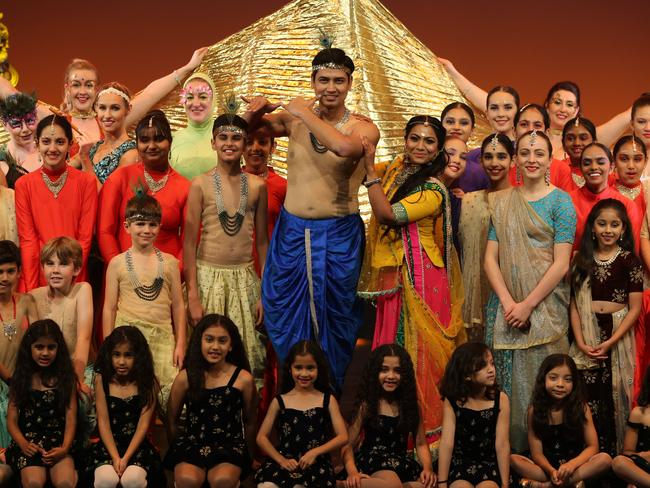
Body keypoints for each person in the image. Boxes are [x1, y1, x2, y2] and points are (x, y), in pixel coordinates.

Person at [244, 42, 380, 390]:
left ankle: (328, 396)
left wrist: (303, 112)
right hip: (292, 232)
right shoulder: (293, 119)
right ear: (313, 82)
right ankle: (293, 394)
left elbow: (345, 149)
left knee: (336, 320)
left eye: (338, 80)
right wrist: (257, 111)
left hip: (338, 235)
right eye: (323, 80)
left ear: (350, 84)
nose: (330, 88)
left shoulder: (363, 128)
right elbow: (247, 132)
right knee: (284, 313)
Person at [358, 116, 465, 446]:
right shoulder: (394, 171)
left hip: (420, 281)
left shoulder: (432, 189)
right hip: (395, 277)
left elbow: (388, 215)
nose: (421, 146)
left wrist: (371, 175)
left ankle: (425, 443)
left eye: (429, 141)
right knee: (391, 354)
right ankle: (388, 436)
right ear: (404, 140)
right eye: (414, 138)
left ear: (438, 151)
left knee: (420, 358)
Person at [484, 130, 575, 452]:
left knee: (548, 384)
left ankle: (550, 459)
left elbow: (561, 263)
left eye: (538, 153)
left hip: (545, 309)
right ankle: (511, 455)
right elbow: (489, 259)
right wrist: (510, 303)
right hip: (505, 308)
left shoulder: (562, 201)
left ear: (550, 159)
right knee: (505, 386)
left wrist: (527, 306)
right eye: (525, 153)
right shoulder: (503, 201)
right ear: (516, 159)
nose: (531, 159)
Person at [183, 112, 268, 385]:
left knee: (245, 355)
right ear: (213, 143)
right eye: (223, 138)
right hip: (208, 277)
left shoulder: (257, 186)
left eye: (236, 138)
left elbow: (263, 242)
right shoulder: (200, 184)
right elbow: (188, 242)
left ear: (245, 145)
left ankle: (242, 420)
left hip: (244, 280)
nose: (229, 143)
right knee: (206, 356)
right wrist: (193, 295)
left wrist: (264, 292)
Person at [569, 199, 642, 455]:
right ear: (592, 227)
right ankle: (586, 456)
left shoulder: (630, 261)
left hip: (617, 336)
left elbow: (634, 308)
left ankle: (614, 460)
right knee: (588, 399)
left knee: (613, 398)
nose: (608, 230)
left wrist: (611, 341)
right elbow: (574, 306)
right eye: (602, 224)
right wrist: (579, 342)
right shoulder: (580, 259)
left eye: (614, 224)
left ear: (623, 229)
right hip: (585, 339)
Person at [103, 194, 186, 403]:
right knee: (131, 397)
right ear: (126, 226)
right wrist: (109, 344)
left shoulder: (170, 263)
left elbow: (178, 306)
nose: (146, 230)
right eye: (140, 224)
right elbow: (109, 308)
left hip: (162, 337)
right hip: (128, 339)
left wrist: (181, 343)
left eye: (152, 224)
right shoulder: (117, 264)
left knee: (168, 397)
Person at [165, 314, 257, 487]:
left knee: (221, 480)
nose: (215, 347)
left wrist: (249, 456)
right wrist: (177, 449)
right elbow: (172, 419)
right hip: (193, 443)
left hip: (229, 445)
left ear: (231, 345)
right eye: (209, 339)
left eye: (222, 341)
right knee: (187, 480)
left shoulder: (243, 379)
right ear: (200, 341)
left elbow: (250, 421)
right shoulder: (185, 377)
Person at [15, 115, 98, 290]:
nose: (52, 148)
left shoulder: (86, 183)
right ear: (37, 144)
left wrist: (71, 277)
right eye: (46, 141)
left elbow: (85, 239)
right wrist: (32, 289)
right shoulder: (24, 185)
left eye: (60, 142)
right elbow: (28, 240)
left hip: (75, 274)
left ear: (70, 144)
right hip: (39, 274)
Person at [97, 110, 190, 266]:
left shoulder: (185, 187)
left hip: (167, 276)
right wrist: (120, 270)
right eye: (145, 140)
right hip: (123, 275)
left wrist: (172, 274)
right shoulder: (120, 178)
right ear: (137, 144)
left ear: (170, 142)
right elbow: (105, 232)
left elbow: (189, 242)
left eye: (159, 139)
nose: (151, 146)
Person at [341, 344, 435, 488]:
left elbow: (421, 443)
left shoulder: (411, 406)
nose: (391, 376)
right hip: (374, 461)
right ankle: (342, 485)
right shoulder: (367, 405)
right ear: (374, 373)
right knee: (392, 484)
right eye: (384, 370)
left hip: (401, 462)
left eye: (397, 371)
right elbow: (347, 444)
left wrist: (428, 469)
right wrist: (352, 472)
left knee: (426, 486)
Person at [510, 354, 612, 487]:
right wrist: (551, 470)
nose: (560, 384)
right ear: (543, 379)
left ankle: (548, 486)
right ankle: (568, 483)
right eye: (553, 378)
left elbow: (593, 447)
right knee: (514, 459)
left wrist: (571, 465)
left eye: (567, 380)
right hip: (547, 467)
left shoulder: (582, 407)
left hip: (575, 465)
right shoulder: (534, 411)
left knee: (605, 459)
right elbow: (537, 454)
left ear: (574, 383)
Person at [256, 340, 348, 487]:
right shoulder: (280, 401)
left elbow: (343, 436)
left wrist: (315, 452)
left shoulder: (327, 400)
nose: (304, 373)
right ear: (290, 369)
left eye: (310, 368)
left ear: (319, 369)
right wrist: (281, 460)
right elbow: (261, 437)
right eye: (298, 367)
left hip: (315, 465)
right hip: (285, 462)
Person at [5, 320, 78, 488]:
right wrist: (23, 444)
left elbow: (71, 418)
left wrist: (65, 448)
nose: (45, 353)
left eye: (51, 347)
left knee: (65, 482)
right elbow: (12, 420)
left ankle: (74, 474)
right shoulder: (21, 377)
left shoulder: (66, 378)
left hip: (58, 443)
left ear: (58, 349)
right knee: (34, 482)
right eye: (39, 347)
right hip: (29, 443)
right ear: (29, 348)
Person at [89, 326, 163, 488]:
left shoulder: (149, 382)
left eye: (128, 355)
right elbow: (103, 423)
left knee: (132, 480)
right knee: (105, 480)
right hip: (109, 446)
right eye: (116, 355)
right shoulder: (102, 380)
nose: (121, 362)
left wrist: (126, 458)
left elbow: (142, 426)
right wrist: (116, 458)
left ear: (138, 356)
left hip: (137, 447)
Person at [459, 134, 513, 342]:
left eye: (501, 156)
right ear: (480, 161)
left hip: (509, 291)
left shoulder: (521, 198)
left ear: (513, 160)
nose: (494, 163)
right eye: (488, 157)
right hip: (474, 292)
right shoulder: (469, 199)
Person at [437, 343, 510, 488]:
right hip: (460, 464)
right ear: (466, 375)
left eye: (492, 363)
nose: (491, 370)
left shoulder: (500, 399)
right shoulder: (453, 401)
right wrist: (442, 483)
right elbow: (447, 443)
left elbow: (502, 444)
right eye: (482, 366)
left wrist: (505, 484)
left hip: (488, 464)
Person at [29, 237, 93, 399]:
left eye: (63, 264)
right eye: (50, 264)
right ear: (42, 267)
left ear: (77, 269)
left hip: (78, 367)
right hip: (45, 369)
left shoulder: (82, 290)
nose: (55, 270)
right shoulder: (33, 296)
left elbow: (83, 338)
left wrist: (76, 380)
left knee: (80, 400)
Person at [0, 240, 38, 449]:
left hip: (24, 380)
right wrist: (12, 381)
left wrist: (27, 380)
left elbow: (39, 341)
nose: (4, 278)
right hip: (6, 383)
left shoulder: (27, 301)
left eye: (10, 271)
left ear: (20, 272)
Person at [569, 142, 640, 252]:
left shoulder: (627, 205)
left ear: (611, 167)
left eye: (600, 162)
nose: (593, 167)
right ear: (581, 168)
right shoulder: (566, 201)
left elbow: (631, 252)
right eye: (587, 163)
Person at [71, 82, 137, 187]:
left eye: (115, 108)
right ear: (96, 109)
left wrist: (85, 160)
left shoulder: (131, 154)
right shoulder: (94, 147)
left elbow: (108, 198)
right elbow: (59, 173)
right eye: (102, 108)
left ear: (128, 109)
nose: (107, 115)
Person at [169, 72, 218, 180]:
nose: (196, 104)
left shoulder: (228, 136)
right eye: (190, 97)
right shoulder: (171, 139)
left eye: (203, 97)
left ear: (213, 100)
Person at [511, 104, 572, 191]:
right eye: (524, 124)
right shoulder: (504, 168)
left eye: (537, 125)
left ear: (547, 133)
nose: (531, 130)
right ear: (514, 131)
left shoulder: (561, 169)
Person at [611, 365, 650, 487]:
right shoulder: (639, 413)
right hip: (644, 467)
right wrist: (643, 456)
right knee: (619, 462)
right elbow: (628, 452)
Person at [441, 102, 484, 193]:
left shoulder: (479, 174)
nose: (456, 127)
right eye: (450, 122)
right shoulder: (425, 161)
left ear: (472, 130)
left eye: (463, 123)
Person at [0, 91, 40, 188]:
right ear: (4, 124)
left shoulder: (50, 149)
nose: (25, 129)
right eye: (17, 124)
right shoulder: (2, 160)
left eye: (30, 121)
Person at [439, 136, 468, 252]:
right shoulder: (425, 189)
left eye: (463, 157)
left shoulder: (455, 198)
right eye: (451, 153)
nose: (457, 160)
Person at [560, 117, 597, 191]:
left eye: (583, 138)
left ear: (594, 142)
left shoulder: (603, 169)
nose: (577, 143)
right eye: (570, 139)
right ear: (563, 144)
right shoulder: (557, 170)